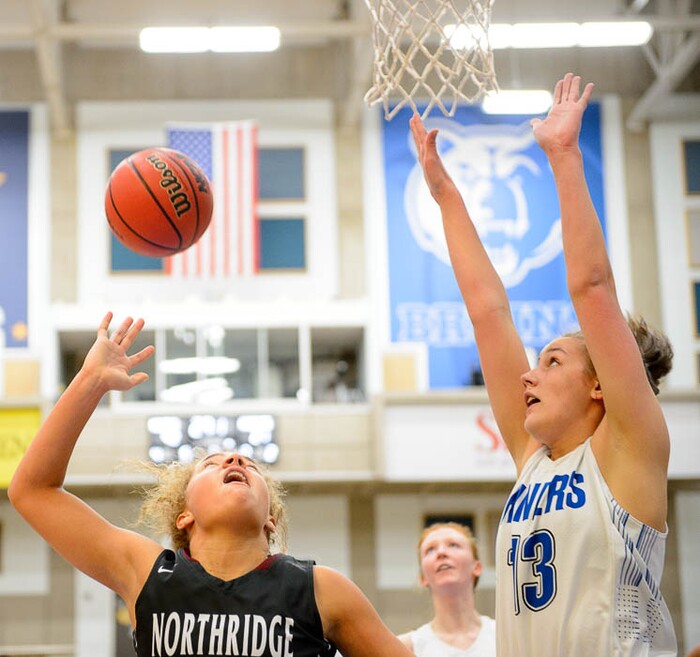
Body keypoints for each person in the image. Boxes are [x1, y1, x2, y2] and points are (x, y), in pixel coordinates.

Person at [410, 73, 677, 655]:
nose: (528, 375)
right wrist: (446, 198)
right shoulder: (534, 462)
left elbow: (591, 287)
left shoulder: (631, 446)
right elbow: (487, 313)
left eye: (552, 361)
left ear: (601, 385)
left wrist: (563, 156)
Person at [9, 312, 414, 657]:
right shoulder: (146, 573)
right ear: (184, 515)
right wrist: (90, 382)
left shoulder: (322, 589)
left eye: (249, 465)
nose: (235, 460)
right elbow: (32, 490)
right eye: (211, 464)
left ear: (270, 519)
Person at [398, 523, 496, 657]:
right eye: (430, 550)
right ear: (422, 577)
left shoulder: (504, 635)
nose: (441, 553)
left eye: (453, 545)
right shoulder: (406, 647)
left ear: (477, 567)